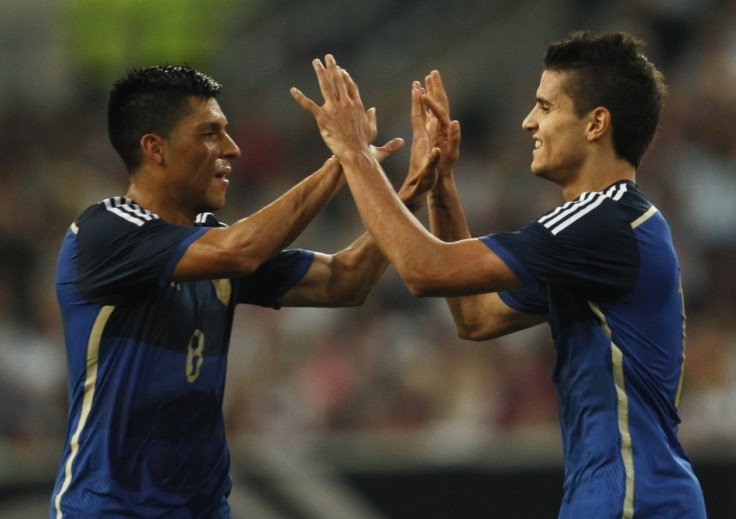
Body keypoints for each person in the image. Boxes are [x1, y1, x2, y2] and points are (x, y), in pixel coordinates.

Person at [292, 31, 707, 517]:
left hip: (633, 497)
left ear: (596, 124)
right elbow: (475, 318)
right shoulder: (604, 232)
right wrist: (441, 183)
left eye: (545, 107)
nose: (529, 121)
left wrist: (354, 153)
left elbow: (423, 270)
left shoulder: (604, 223)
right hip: (620, 493)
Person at [50, 64, 436, 518]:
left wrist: (408, 192)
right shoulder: (103, 232)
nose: (232, 149)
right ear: (155, 148)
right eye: (210, 133)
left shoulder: (209, 243)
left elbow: (344, 281)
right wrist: (346, 160)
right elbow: (242, 250)